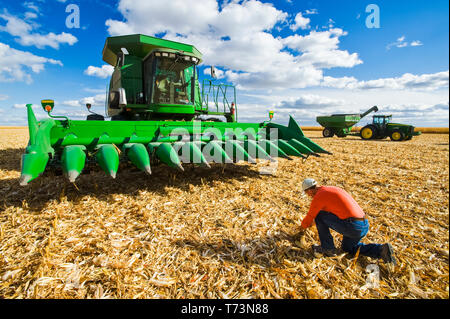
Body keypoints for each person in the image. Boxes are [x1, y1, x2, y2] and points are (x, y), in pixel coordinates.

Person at [296, 178, 396, 264]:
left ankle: (328, 248)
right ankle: (381, 250)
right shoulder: (330, 189)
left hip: (353, 226)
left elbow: (311, 216)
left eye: (306, 193)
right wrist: (313, 223)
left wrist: (301, 229)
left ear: (309, 191)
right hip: (363, 224)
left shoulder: (319, 196)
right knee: (349, 249)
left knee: (319, 215)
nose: (308, 196)